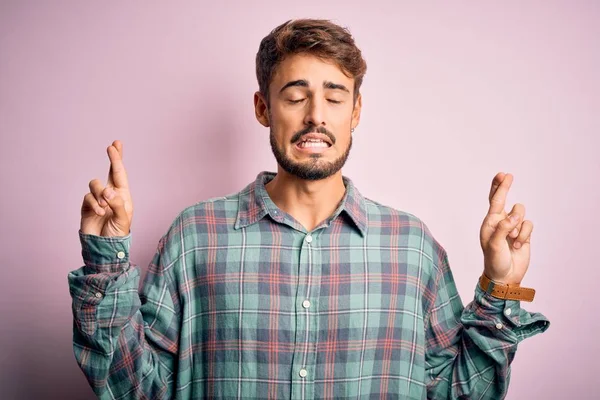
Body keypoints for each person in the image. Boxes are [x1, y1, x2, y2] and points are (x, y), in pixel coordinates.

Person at [68, 19, 549, 399]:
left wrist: (501, 285)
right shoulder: (194, 237)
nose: (316, 114)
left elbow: (461, 394)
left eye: (334, 97)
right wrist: (105, 258)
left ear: (355, 112)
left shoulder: (413, 248)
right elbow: (134, 389)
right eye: (296, 96)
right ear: (263, 108)